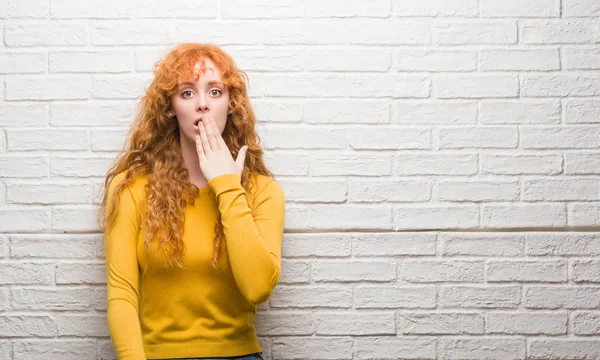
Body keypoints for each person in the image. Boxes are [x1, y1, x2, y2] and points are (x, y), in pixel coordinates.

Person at [98, 43, 286, 360]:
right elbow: (122, 295)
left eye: (215, 92)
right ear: (170, 106)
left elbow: (258, 288)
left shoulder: (262, 191)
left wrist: (226, 185)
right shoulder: (130, 188)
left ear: (231, 104)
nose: (202, 105)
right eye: (187, 93)